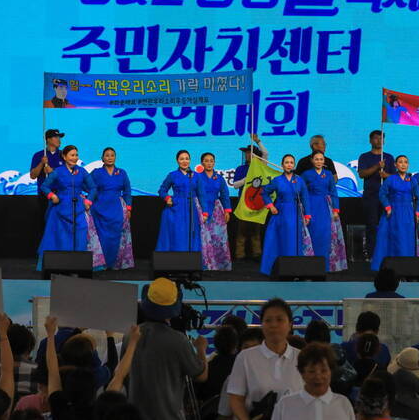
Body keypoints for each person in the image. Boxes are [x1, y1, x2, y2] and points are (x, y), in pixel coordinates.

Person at [122, 278, 207, 420]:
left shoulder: (129, 336)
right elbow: (201, 376)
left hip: (134, 415)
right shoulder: (178, 340)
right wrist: (201, 349)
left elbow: (123, 373)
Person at [228, 298, 304, 420]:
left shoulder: (303, 358)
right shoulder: (245, 357)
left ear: (290, 325)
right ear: (262, 325)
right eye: (268, 320)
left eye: (279, 320)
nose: (274, 325)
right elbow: (236, 399)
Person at [37, 145, 97, 270]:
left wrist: (88, 201)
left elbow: (93, 188)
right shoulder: (58, 171)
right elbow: (44, 186)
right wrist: (52, 195)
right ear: (64, 157)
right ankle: (59, 266)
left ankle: (79, 266)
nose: (75, 158)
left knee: (81, 234)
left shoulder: (81, 171)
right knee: (60, 238)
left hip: (78, 209)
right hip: (60, 209)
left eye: (76, 155)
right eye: (72, 155)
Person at [371, 155, 419, 271]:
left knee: (406, 239)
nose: (403, 164)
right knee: (391, 239)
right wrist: (387, 207)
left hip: (407, 212)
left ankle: (407, 267)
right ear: (395, 165)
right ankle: (389, 268)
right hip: (392, 212)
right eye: (400, 162)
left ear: (408, 165)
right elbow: (382, 194)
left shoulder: (412, 180)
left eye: (405, 162)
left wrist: (417, 213)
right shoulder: (391, 179)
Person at [271, 342, 355, 420]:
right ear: (302, 373)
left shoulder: (343, 404)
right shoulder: (285, 405)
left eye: (323, 370)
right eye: (312, 371)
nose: (318, 376)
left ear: (331, 372)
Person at [260, 154, 313, 275]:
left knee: (293, 240)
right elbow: (264, 193)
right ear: (282, 165)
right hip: (280, 213)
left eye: (291, 163)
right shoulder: (277, 180)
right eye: (286, 162)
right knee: (278, 239)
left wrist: (307, 215)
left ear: (293, 165)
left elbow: (305, 198)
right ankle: (276, 268)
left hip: (295, 213)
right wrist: (270, 206)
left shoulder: (299, 180)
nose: (289, 165)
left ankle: (294, 269)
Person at [301, 150, 347, 272]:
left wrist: (336, 210)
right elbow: (302, 192)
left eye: (321, 159)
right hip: (310, 205)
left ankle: (325, 266)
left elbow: (333, 192)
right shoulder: (306, 174)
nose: (319, 161)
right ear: (312, 160)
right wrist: (305, 211)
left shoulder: (328, 174)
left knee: (325, 236)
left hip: (325, 207)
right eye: (316, 159)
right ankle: (310, 266)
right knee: (312, 235)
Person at [90, 147, 133, 271]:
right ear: (102, 158)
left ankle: (114, 264)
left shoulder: (122, 172)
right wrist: (91, 197)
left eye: (112, 155)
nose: (109, 157)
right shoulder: (96, 172)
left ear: (115, 157)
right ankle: (100, 264)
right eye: (107, 155)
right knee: (101, 236)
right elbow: (86, 185)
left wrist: (128, 208)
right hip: (99, 208)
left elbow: (127, 191)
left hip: (116, 209)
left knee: (115, 237)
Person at [156, 150, 206, 253]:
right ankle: (175, 261)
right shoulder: (172, 175)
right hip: (176, 208)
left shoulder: (196, 176)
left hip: (192, 208)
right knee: (178, 234)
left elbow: (202, 195)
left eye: (187, 159)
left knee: (192, 234)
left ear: (190, 160)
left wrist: (205, 212)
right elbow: (162, 190)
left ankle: (191, 261)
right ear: (177, 161)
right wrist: (167, 198)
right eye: (182, 159)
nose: (185, 161)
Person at [358, 130, 396, 257]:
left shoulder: (389, 157)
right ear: (370, 140)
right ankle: (372, 254)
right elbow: (362, 174)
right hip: (371, 196)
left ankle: (387, 253)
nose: (379, 141)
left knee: (387, 225)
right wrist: (376, 167)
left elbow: (395, 177)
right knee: (372, 225)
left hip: (387, 197)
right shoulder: (364, 157)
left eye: (381, 138)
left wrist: (385, 175)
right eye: (376, 138)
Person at [232, 134, 268, 259]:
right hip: (243, 202)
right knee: (241, 231)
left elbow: (266, 154)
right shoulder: (240, 169)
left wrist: (258, 141)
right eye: (247, 153)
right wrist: (246, 180)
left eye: (251, 153)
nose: (248, 155)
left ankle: (257, 254)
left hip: (256, 203)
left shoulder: (260, 167)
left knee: (256, 231)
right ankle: (239, 254)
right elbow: (235, 185)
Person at [196, 152, 232, 271]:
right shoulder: (197, 177)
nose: (209, 163)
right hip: (202, 208)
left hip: (216, 210)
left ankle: (220, 265)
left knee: (219, 238)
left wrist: (227, 210)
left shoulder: (219, 178)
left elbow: (225, 194)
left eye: (211, 161)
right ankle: (206, 264)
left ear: (214, 163)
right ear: (202, 163)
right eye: (206, 161)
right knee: (204, 238)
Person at [30, 129, 66, 221]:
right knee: (45, 221)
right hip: (44, 195)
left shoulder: (63, 155)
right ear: (48, 140)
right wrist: (42, 163)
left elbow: (67, 173)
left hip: (61, 193)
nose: (59, 140)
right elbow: (33, 175)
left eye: (59, 137)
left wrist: (52, 171)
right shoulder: (38, 155)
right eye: (56, 137)